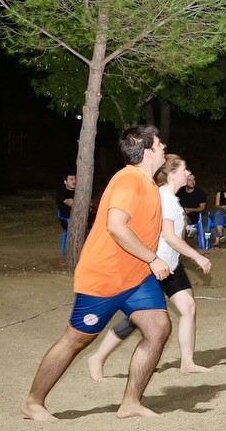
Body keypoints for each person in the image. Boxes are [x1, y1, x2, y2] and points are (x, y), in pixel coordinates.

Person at [22, 124, 173, 421]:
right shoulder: (129, 181)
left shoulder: (147, 183)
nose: (163, 147)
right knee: (76, 339)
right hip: (105, 277)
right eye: (159, 144)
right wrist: (153, 258)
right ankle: (33, 402)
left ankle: (130, 403)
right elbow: (116, 226)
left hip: (136, 276)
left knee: (158, 328)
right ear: (146, 152)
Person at [86, 153, 214, 381]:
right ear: (172, 174)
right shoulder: (164, 198)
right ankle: (97, 357)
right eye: (184, 169)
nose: (188, 173)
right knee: (139, 318)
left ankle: (187, 363)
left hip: (170, 264)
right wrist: (197, 257)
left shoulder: (172, 197)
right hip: (153, 265)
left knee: (188, 307)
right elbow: (170, 237)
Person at [177, 172, 207, 240]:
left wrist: (190, 210)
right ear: (185, 181)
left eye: (193, 179)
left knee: (182, 216)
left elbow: (202, 208)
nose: (192, 182)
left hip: (194, 217)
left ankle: (187, 230)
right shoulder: (180, 192)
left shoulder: (200, 193)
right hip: (180, 216)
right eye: (190, 180)